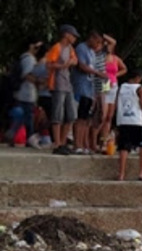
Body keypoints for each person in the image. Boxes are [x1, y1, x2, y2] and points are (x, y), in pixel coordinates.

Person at [46, 24, 79, 155]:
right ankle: (58, 143)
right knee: (57, 114)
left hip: (67, 83)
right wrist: (62, 65)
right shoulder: (57, 48)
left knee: (71, 114)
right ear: (66, 34)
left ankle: (64, 141)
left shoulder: (70, 48)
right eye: (73, 35)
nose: (74, 38)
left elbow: (75, 60)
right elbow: (49, 64)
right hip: (57, 82)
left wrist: (72, 62)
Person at [71, 31, 103, 154]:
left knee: (86, 119)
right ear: (91, 38)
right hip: (80, 87)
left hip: (90, 89)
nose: (98, 45)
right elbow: (82, 66)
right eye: (97, 42)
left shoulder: (92, 53)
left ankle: (84, 145)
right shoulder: (81, 48)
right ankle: (77, 144)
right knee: (80, 117)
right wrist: (97, 73)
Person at [115, 69, 142, 181]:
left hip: (123, 120)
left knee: (124, 147)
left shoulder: (121, 87)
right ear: (138, 78)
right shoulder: (140, 88)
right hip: (136, 120)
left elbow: (116, 103)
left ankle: (121, 174)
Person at [97, 35, 127, 154]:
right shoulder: (101, 58)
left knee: (109, 116)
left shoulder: (115, 58)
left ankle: (104, 140)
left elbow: (124, 69)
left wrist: (115, 76)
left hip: (113, 85)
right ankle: (96, 139)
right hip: (104, 85)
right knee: (102, 116)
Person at [13, 38, 43, 148]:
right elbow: (27, 74)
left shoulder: (24, 58)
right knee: (28, 116)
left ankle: (15, 135)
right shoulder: (29, 59)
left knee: (22, 117)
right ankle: (30, 137)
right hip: (26, 93)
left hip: (24, 93)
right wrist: (38, 81)